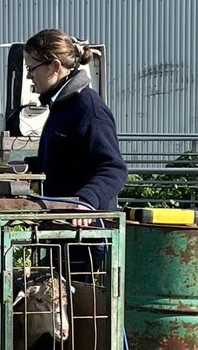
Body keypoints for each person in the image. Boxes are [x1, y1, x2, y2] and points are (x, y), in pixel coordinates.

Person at [23, 29, 126, 225]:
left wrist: (87, 200)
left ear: (54, 66)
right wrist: (24, 170)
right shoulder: (61, 106)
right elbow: (67, 161)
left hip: (88, 236)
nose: (29, 76)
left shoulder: (88, 108)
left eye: (32, 68)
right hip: (62, 229)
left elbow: (113, 168)